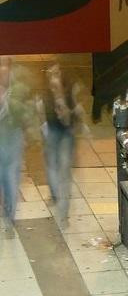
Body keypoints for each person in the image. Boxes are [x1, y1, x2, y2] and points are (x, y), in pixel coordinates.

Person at [37, 64, 86, 221]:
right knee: (52, 165)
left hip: (66, 134)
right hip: (52, 132)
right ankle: (54, 194)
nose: (54, 76)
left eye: (56, 73)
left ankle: (63, 209)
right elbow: (40, 112)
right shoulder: (44, 94)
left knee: (64, 170)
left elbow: (72, 114)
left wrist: (61, 98)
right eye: (51, 73)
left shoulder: (68, 90)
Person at [0, 57, 32, 226]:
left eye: (4, 65)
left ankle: (10, 212)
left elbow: (25, 113)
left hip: (13, 139)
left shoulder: (19, 88)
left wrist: (6, 102)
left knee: (10, 177)